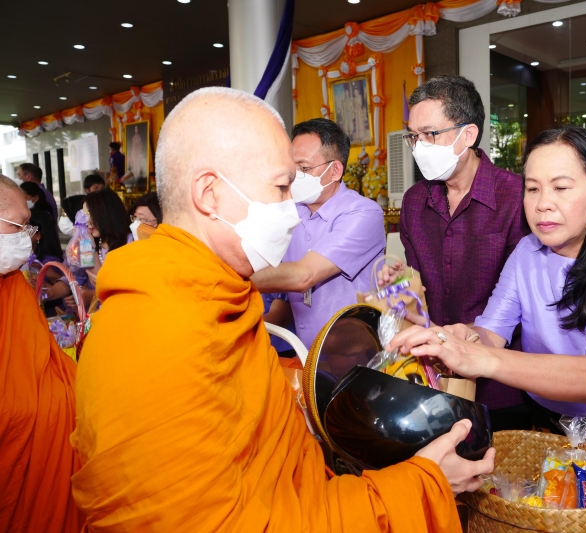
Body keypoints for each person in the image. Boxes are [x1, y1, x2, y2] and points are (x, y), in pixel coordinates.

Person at [70, 87, 494, 532]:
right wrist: (423, 480)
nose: (291, 210)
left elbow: (277, 477)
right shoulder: (157, 330)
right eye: (281, 186)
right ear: (210, 193)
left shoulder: (216, 294)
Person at [389, 125, 586, 512]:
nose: (543, 204)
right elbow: (492, 330)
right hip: (550, 431)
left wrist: (485, 359)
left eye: (561, 188)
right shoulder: (528, 251)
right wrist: (460, 337)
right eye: (532, 188)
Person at [396, 74, 531, 430]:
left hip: (503, 383)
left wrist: (469, 340)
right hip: (436, 376)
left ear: (467, 135)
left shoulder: (516, 198)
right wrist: (399, 289)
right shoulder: (414, 202)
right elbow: (417, 288)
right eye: (413, 136)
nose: (418, 146)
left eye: (430, 134)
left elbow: (528, 302)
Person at [251, 118, 385, 349]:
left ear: (334, 170)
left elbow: (304, 275)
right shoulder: (289, 212)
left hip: (355, 353)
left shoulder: (363, 213)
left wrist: (228, 279)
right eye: (292, 168)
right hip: (305, 352)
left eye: (304, 169)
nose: (294, 176)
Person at [0, 175, 82, 533]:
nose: (28, 236)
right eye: (19, 226)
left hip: (46, 456)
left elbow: (40, 359)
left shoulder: (13, 284)